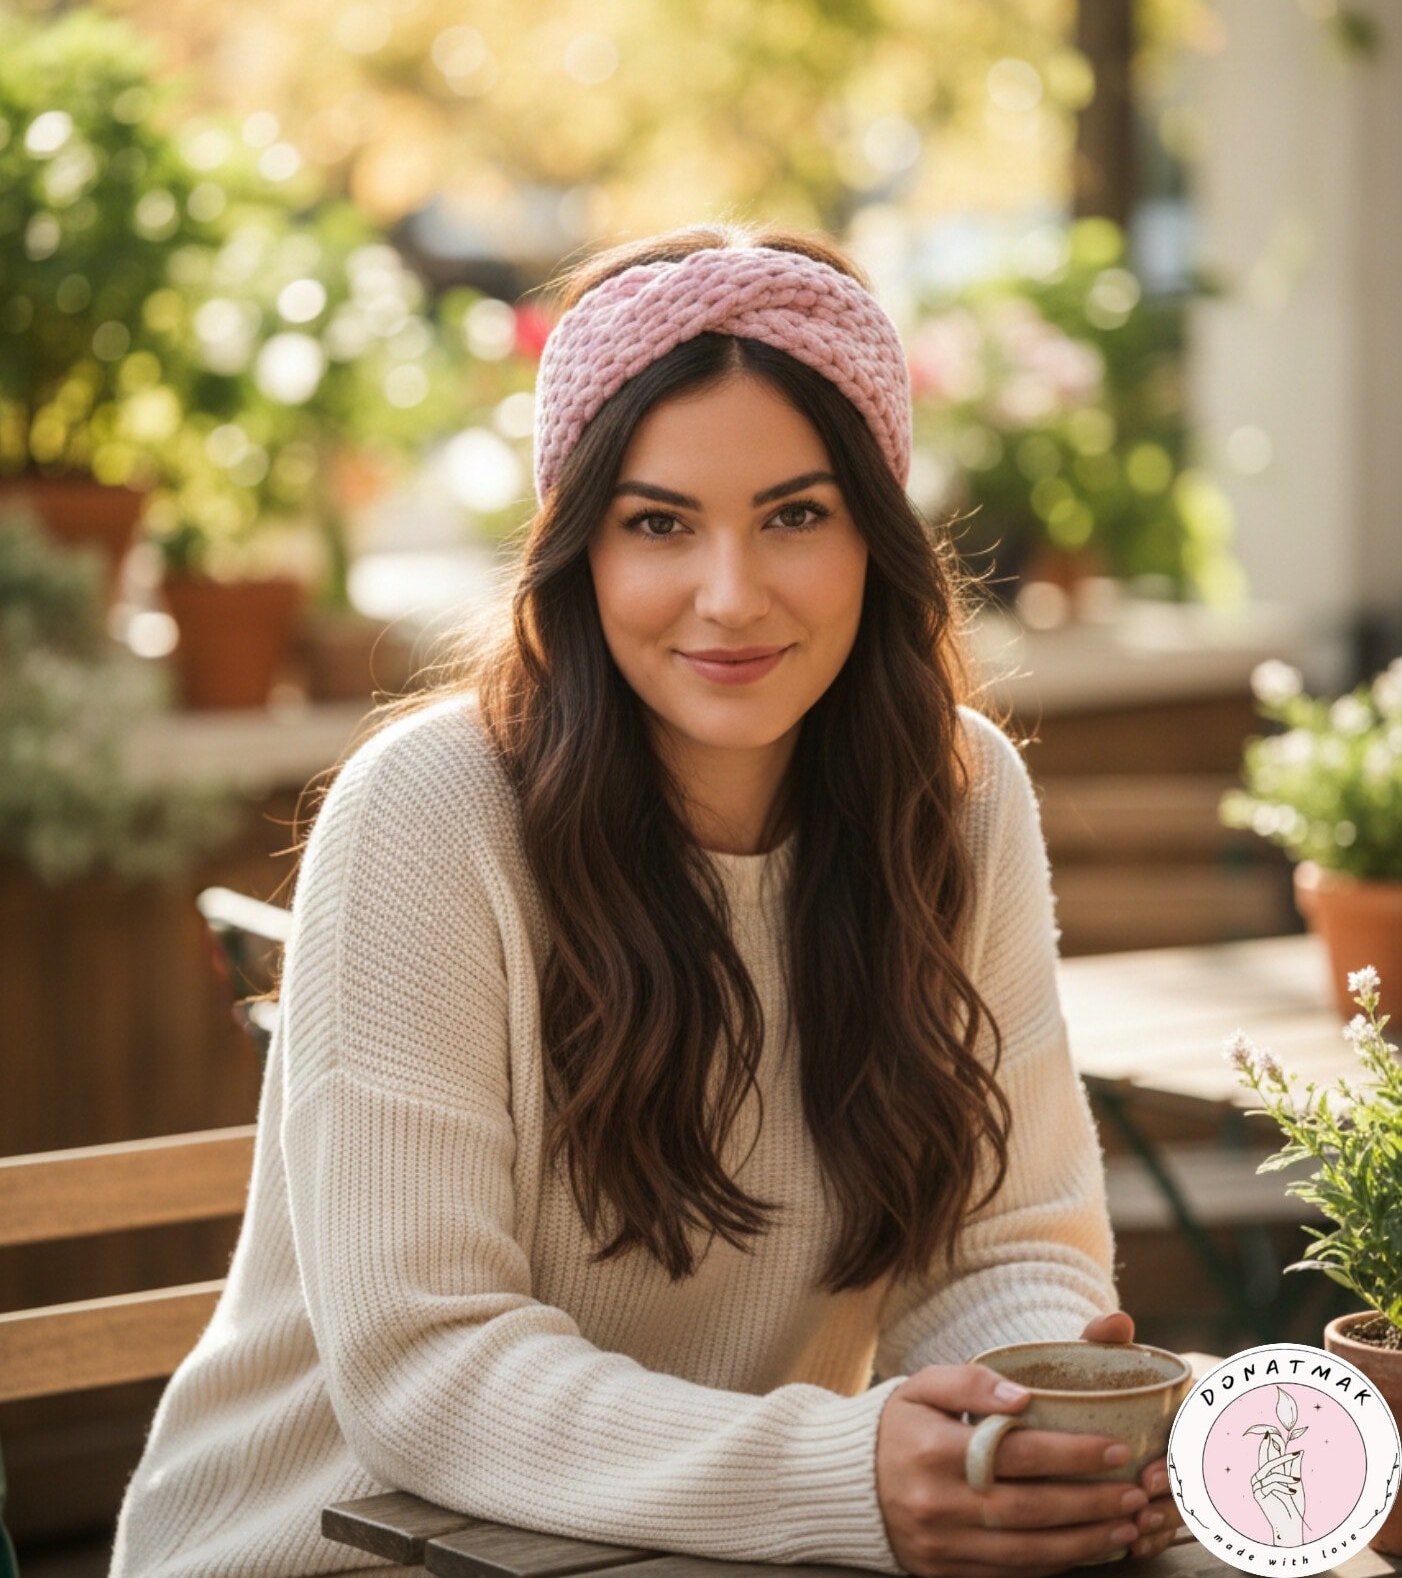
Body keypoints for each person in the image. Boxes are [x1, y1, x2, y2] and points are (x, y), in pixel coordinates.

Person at [108, 224, 1181, 1578]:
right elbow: (425, 1367)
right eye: (657, 523)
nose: (727, 599)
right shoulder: (428, 815)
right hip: (336, 1552)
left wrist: (1016, 1431)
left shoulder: (958, 804)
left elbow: (1001, 1243)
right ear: (578, 550)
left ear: (874, 535)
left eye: (796, 515)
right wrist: (848, 1470)